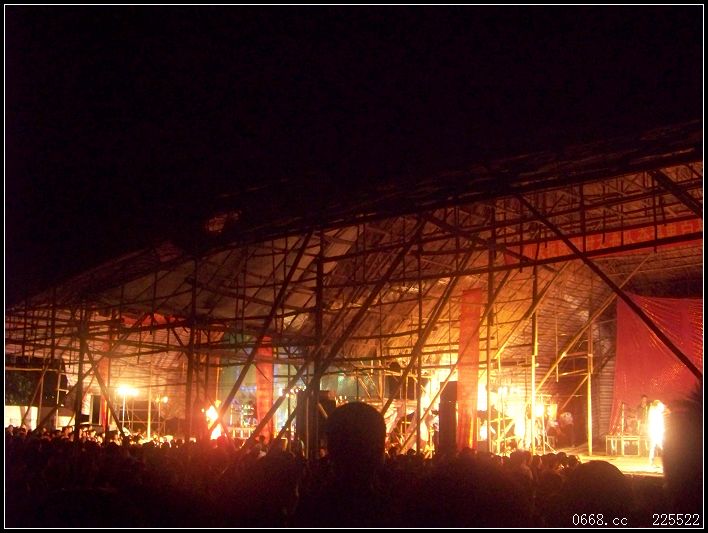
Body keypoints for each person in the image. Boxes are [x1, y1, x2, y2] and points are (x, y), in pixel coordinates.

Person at [647, 399, 666, 467]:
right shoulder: (655, 412)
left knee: (653, 447)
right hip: (656, 431)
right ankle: (667, 461)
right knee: (661, 446)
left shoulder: (653, 411)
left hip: (655, 431)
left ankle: (651, 462)